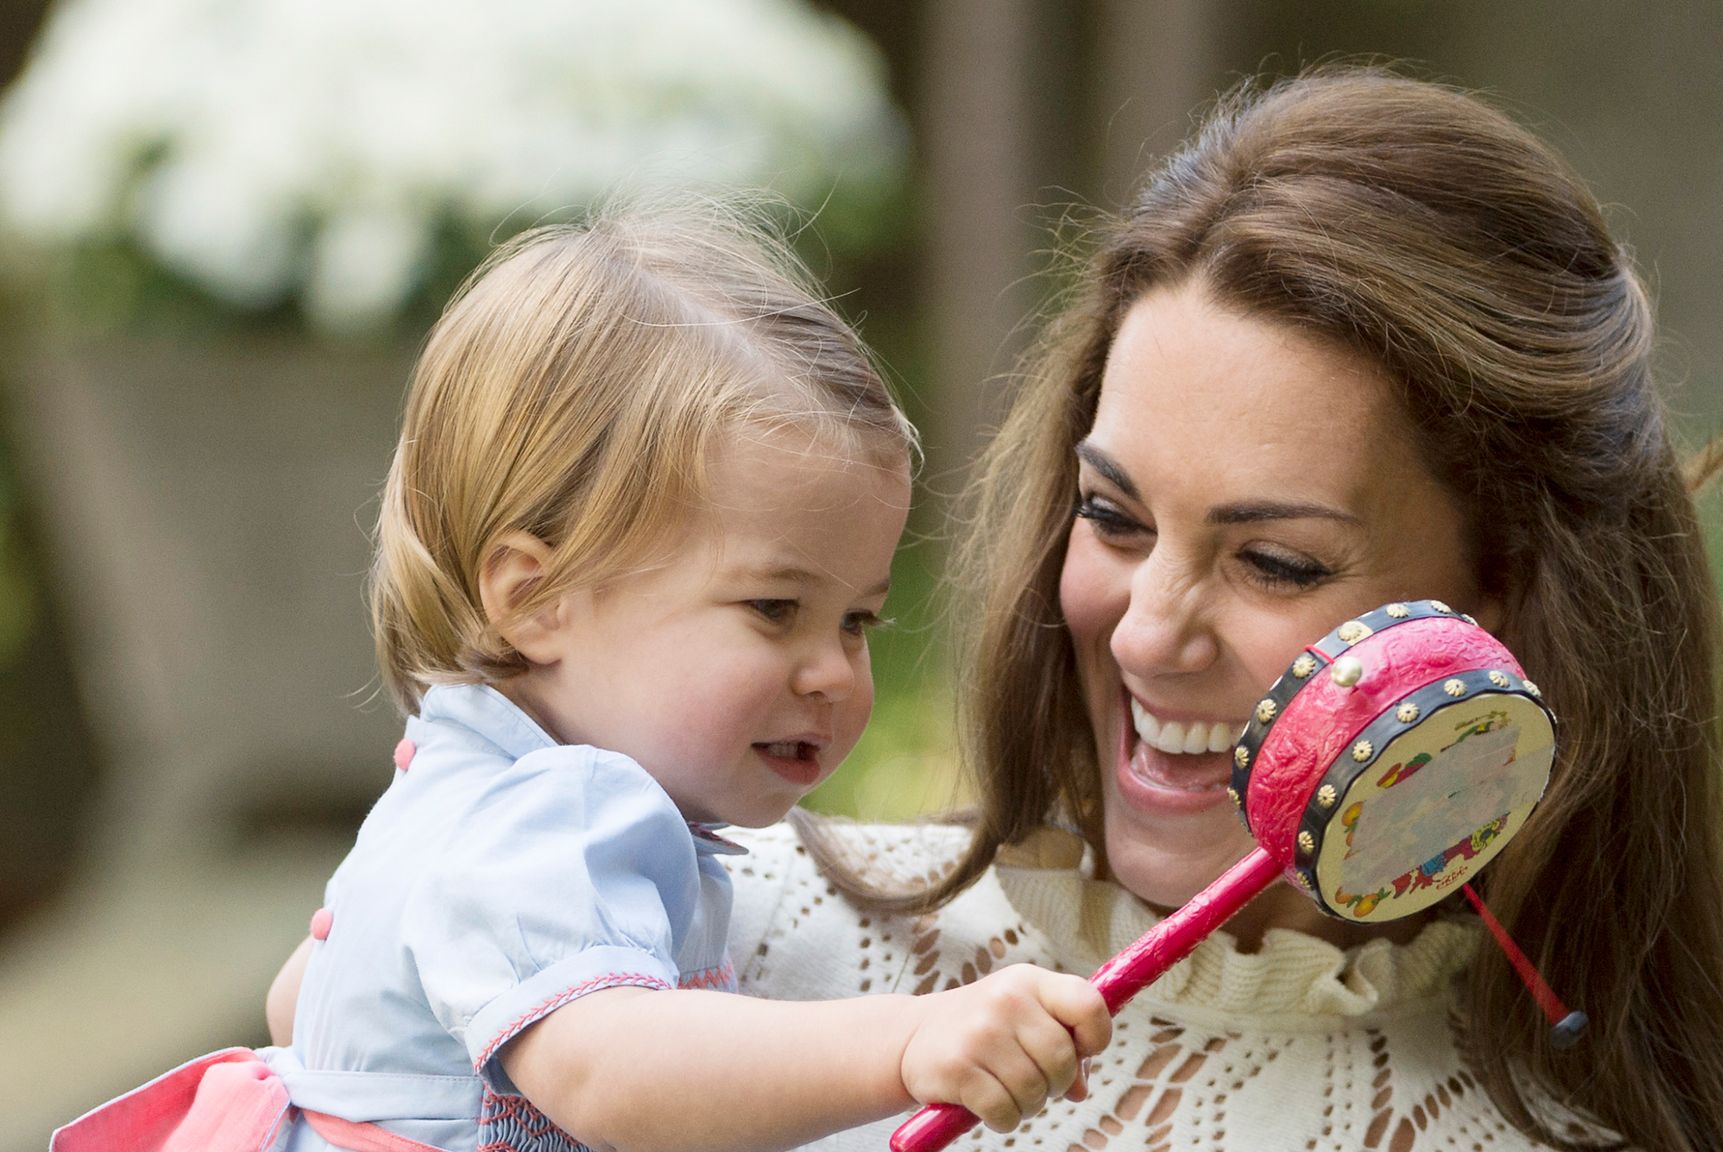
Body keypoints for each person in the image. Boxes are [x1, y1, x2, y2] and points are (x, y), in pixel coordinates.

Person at [727, 66, 1723, 1152]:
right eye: (1111, 515)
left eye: (1273, 562)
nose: (1145, 631)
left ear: (1503, 604)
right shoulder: (703, 941)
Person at [54, 206, 1111, 1152]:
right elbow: (615, 1074)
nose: (833, 672)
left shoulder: (456, 783)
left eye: (858, 621)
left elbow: (304, 1004)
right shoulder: (555, 813)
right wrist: (910, 1037)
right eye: (772, 610)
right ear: (534, 598)